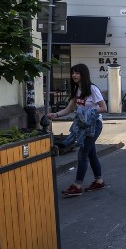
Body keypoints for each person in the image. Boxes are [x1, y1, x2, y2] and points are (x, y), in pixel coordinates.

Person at [48, 64, 106, 196]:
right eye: (73, 73)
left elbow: (103, 107)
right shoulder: (77, 90)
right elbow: (69, 109)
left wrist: (89, 112)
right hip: (82, 126)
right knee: (91, 153)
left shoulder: (92, 88)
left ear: (83, 75)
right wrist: (55, 115)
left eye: (77, 73)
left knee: (82, 153)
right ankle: (99, 180)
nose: (74, 75)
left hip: (94, 125)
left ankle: (77, 185)